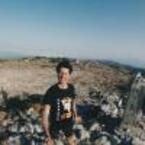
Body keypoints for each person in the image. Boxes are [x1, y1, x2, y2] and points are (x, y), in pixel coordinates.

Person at [42, 60, 80, 145]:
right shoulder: (51, 92)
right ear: (57, 73)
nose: (63, 76)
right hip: (55, 127)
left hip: (68, 125)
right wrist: (47, 135)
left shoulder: (71, 88)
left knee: (72, 142)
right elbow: (45, 115)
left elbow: (73, 104)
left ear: (69, 75)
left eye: (66, 73)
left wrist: (76, 116)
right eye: (60, 73)